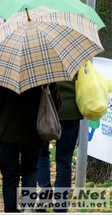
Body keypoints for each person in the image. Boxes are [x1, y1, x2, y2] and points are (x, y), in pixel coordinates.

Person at [0, 84, 62, 212]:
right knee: (30, 170)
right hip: (33, 133)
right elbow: (57, 104)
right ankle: (28, 209)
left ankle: (11, 211)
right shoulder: (45, 75)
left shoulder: (7, 74)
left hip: (6, 133)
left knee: (10, 176)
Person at [36, 79, 82, 213]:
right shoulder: (71, 59)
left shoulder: (41, 59)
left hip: (45, 111)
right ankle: (61, 203)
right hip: (70, 111)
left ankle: (44, 195)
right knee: (64, 160)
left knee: (41, 153)